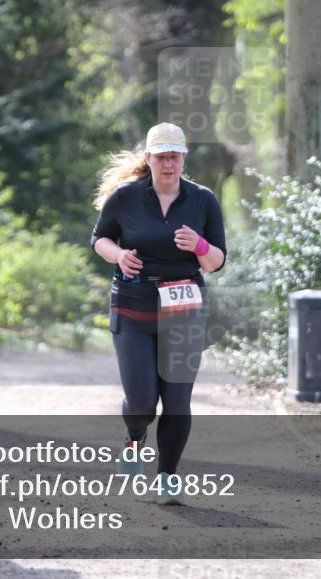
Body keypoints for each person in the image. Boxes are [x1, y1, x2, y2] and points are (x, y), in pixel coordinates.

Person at [90, 122, 226, 505]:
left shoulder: (203, 201)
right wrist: (119, 256)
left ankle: (167, 477)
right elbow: (99, 238)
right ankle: (135, 438)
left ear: (184, 159)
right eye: (161, 157)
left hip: (183, 309)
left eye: (174, 157)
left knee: (178, 402)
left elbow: (217, 262)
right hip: (133, 306)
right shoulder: (126, 198)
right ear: (148, 159)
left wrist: (199, 245)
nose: (168, 164)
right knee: (141, 404)